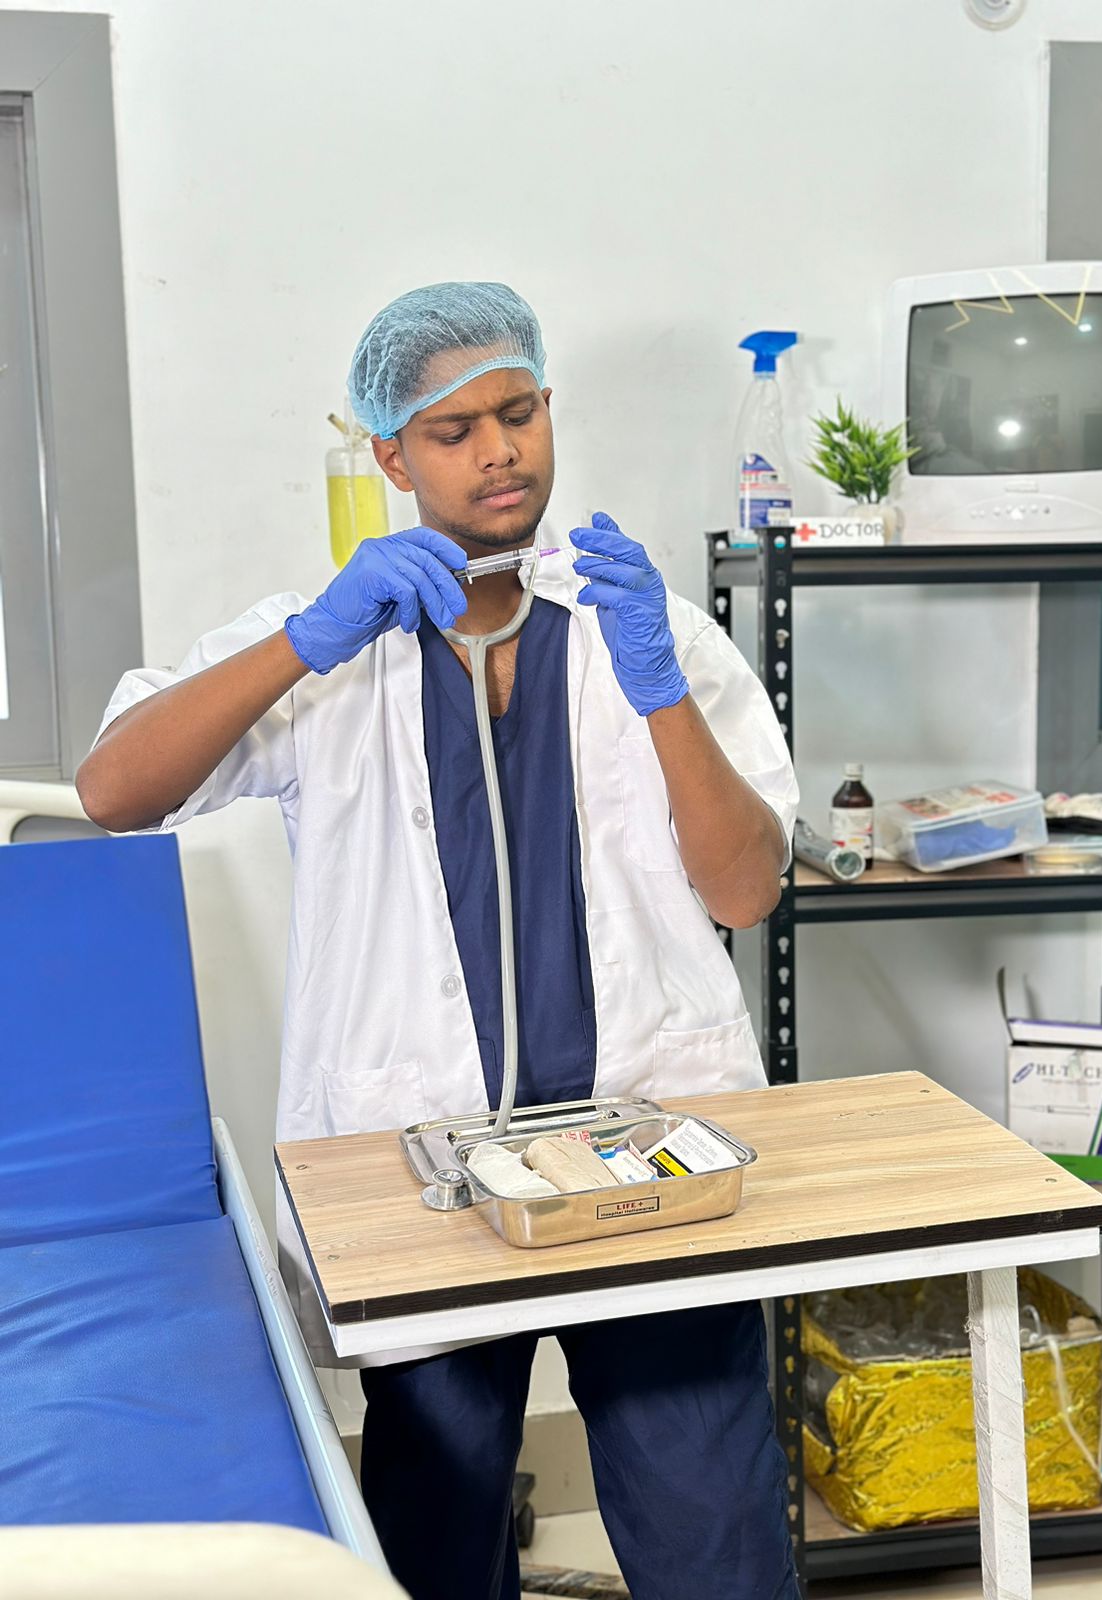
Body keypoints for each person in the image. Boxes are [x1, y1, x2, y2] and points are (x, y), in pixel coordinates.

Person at [77, 282, 801, 1600]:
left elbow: (747, 891)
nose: (499, 452)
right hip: (421, 1170)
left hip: (652, 1150)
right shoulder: (330, 650)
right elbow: (113, 791)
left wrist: (661, 695)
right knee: (436, 1537)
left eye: (518, 412)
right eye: (453, 430)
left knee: (716, 1536)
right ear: (392, 457)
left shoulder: (650, 630)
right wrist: (306, 639)